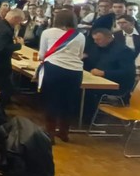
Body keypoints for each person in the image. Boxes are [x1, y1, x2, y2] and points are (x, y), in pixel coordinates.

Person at [37, 10, 84, 142]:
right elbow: (80, 55)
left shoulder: (47, 32)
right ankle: (64, 133)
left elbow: (42, 54)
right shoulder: (80, 35)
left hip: (54, 69)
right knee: (68, 102)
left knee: (51, 100)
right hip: (75, 71)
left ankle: (50, 134)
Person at [83, 28, 137, 120]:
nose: (96, 42)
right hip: (99, 81)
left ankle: (86, 120)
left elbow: (128, 72)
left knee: (86, 92)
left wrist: (104, 73)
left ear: (109, 37)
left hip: (117, 85)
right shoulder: (97, 48)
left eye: (98, 39)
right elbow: (91, 63)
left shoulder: (123, 51)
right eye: (94, 39)